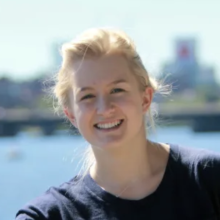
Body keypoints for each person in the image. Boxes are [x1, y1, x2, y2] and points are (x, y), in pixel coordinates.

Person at [16, 28, 220, 220]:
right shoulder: (49, 215)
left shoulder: (208, 178)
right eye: (87, 96)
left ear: (146, 98)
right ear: (71, 115)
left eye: (117, 90)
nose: (105, 108)